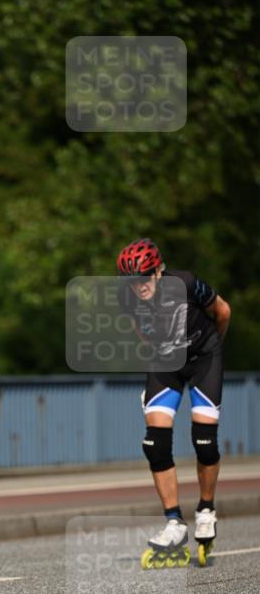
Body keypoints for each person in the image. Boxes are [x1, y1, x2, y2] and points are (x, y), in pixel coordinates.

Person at [116, 238, 231, 561]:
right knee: (155, 443)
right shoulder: (126, 298)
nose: (138, 286)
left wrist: (214, 351)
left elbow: (222, 311)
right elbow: (140, 328)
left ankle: (206, 510)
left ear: (158, 271)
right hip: (165, 363)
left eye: (144, 277)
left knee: (205, 441)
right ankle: (174, 523)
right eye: (131, 281)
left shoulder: (186, 283)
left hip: (203, 359)